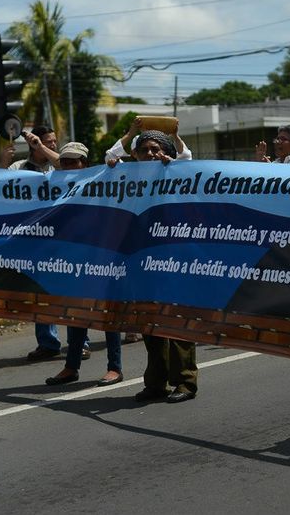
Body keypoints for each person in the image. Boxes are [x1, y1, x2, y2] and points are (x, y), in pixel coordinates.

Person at [109, 130, 198, 403]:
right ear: (134, 155)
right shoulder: (126, 178)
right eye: (143, 149)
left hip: (173, 260)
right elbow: (111, 156)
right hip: (141, 262)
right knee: (150, 324)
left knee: (177, 322)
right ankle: (155, 383)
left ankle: (184, 382)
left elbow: (187, 158)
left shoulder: (178, 174)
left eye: (154, 149)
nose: (149, 154)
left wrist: (171, 163)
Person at [45, 142, 123, 387]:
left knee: (108, 315)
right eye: (65, 161)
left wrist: (113, 167)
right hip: (72, 259)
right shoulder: (54, 186)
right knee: (75, 315)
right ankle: (71, 366)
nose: (69, 166)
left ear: (85, 164)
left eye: (74, 161)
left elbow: (121, 180)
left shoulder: (101, 182)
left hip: (102, 257)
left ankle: (115, 368)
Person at [2, 126, 83, 361]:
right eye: (49, 141)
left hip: (64, 238)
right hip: (36, 240)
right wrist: (2, 162)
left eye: (55, 141)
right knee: (40, 292)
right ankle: (48, 342)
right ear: (31, 144)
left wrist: (42, 147)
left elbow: (69, 169)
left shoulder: (59, 164)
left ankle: (80, 342)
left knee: (70, 291)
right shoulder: (19, 168)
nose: (54, 144)